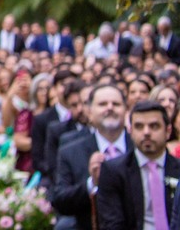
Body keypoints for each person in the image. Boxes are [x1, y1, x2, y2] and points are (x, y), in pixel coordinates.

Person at [51, 82, 132, 230]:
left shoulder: (139, 147)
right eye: (102, 104)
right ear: (90, 111)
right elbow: (60, 201)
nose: (110, 108)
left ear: (126, 110)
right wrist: (92, 184)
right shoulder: (70, 151)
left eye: (116, 104)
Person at [97, 100, 179, 230]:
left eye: (154, 126)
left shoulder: (177, 168)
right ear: (130, 130)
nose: (146, 132)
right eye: (139, 126)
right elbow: (112, 224)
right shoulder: (113, 171)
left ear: (168, 131)